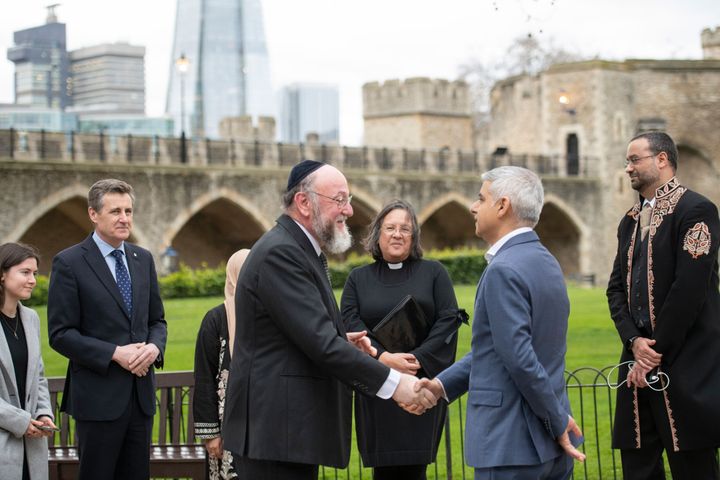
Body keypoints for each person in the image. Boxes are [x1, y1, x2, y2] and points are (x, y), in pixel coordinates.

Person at [222, 160, 436, 480]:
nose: (349, 210)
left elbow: (303, 333)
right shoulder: (282, 253)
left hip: (287, 434)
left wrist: (342, 340)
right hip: (275, 434)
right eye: (340, 200)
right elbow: (319, 343)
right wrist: (395, 385)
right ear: (304, 202)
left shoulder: (300, 249)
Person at [415, 166, 585, 479]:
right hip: (550, 446)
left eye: (481, 198)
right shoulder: (547, 261)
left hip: (511, 444)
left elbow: (519, 358)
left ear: (502, 205)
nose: (473, 207)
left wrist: (557, 421)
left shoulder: (503, 270)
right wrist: (441, 386)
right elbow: (498, 349)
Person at [606, 131, 720, 479]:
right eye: (627, 161)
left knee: (693, 467)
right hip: (636, 366)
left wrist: (654, 353)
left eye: (634, 159)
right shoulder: (629, 220)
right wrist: (634, 343)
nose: (628, 168)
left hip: (686, 364)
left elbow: (689, 290)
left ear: (662, 160)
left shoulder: (696, 210)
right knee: (637, 464)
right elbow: (615, 291)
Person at [47, 178, 168, 480]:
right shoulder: (70, 263)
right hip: (97, 401)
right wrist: (114, 353)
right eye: (115, 211)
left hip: (140, 400)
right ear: (93, 214)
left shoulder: (143, 259)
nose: (124, 218)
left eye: (128, 211)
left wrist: (154, 348)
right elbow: (60, 334)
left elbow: (157, 321)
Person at [341, 199, 465, 480]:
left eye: (405, 229)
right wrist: (383, 358)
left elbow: (448, 322)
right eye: (390, 228)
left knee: (414, 469)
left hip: (420, 385)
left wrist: (416, 359)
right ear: (377, 234)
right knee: (383, 470)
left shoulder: (434, 273)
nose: (397, 234)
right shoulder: (358, 279)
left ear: (414, 236)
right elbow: (350, 322)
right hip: (377, 384)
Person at [0, 243, 57, 480]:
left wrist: (44, 413)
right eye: (25, 272)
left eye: (34, 273)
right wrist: (20, 421)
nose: (33, 280)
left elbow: (39, 375)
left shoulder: (31, 318)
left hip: (32, 443)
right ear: (2, 275)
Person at [193, 248, 250, 479]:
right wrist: (212, 434)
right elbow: (205, 377)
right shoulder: (215, 319)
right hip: (226, 425)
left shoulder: (271, 313)